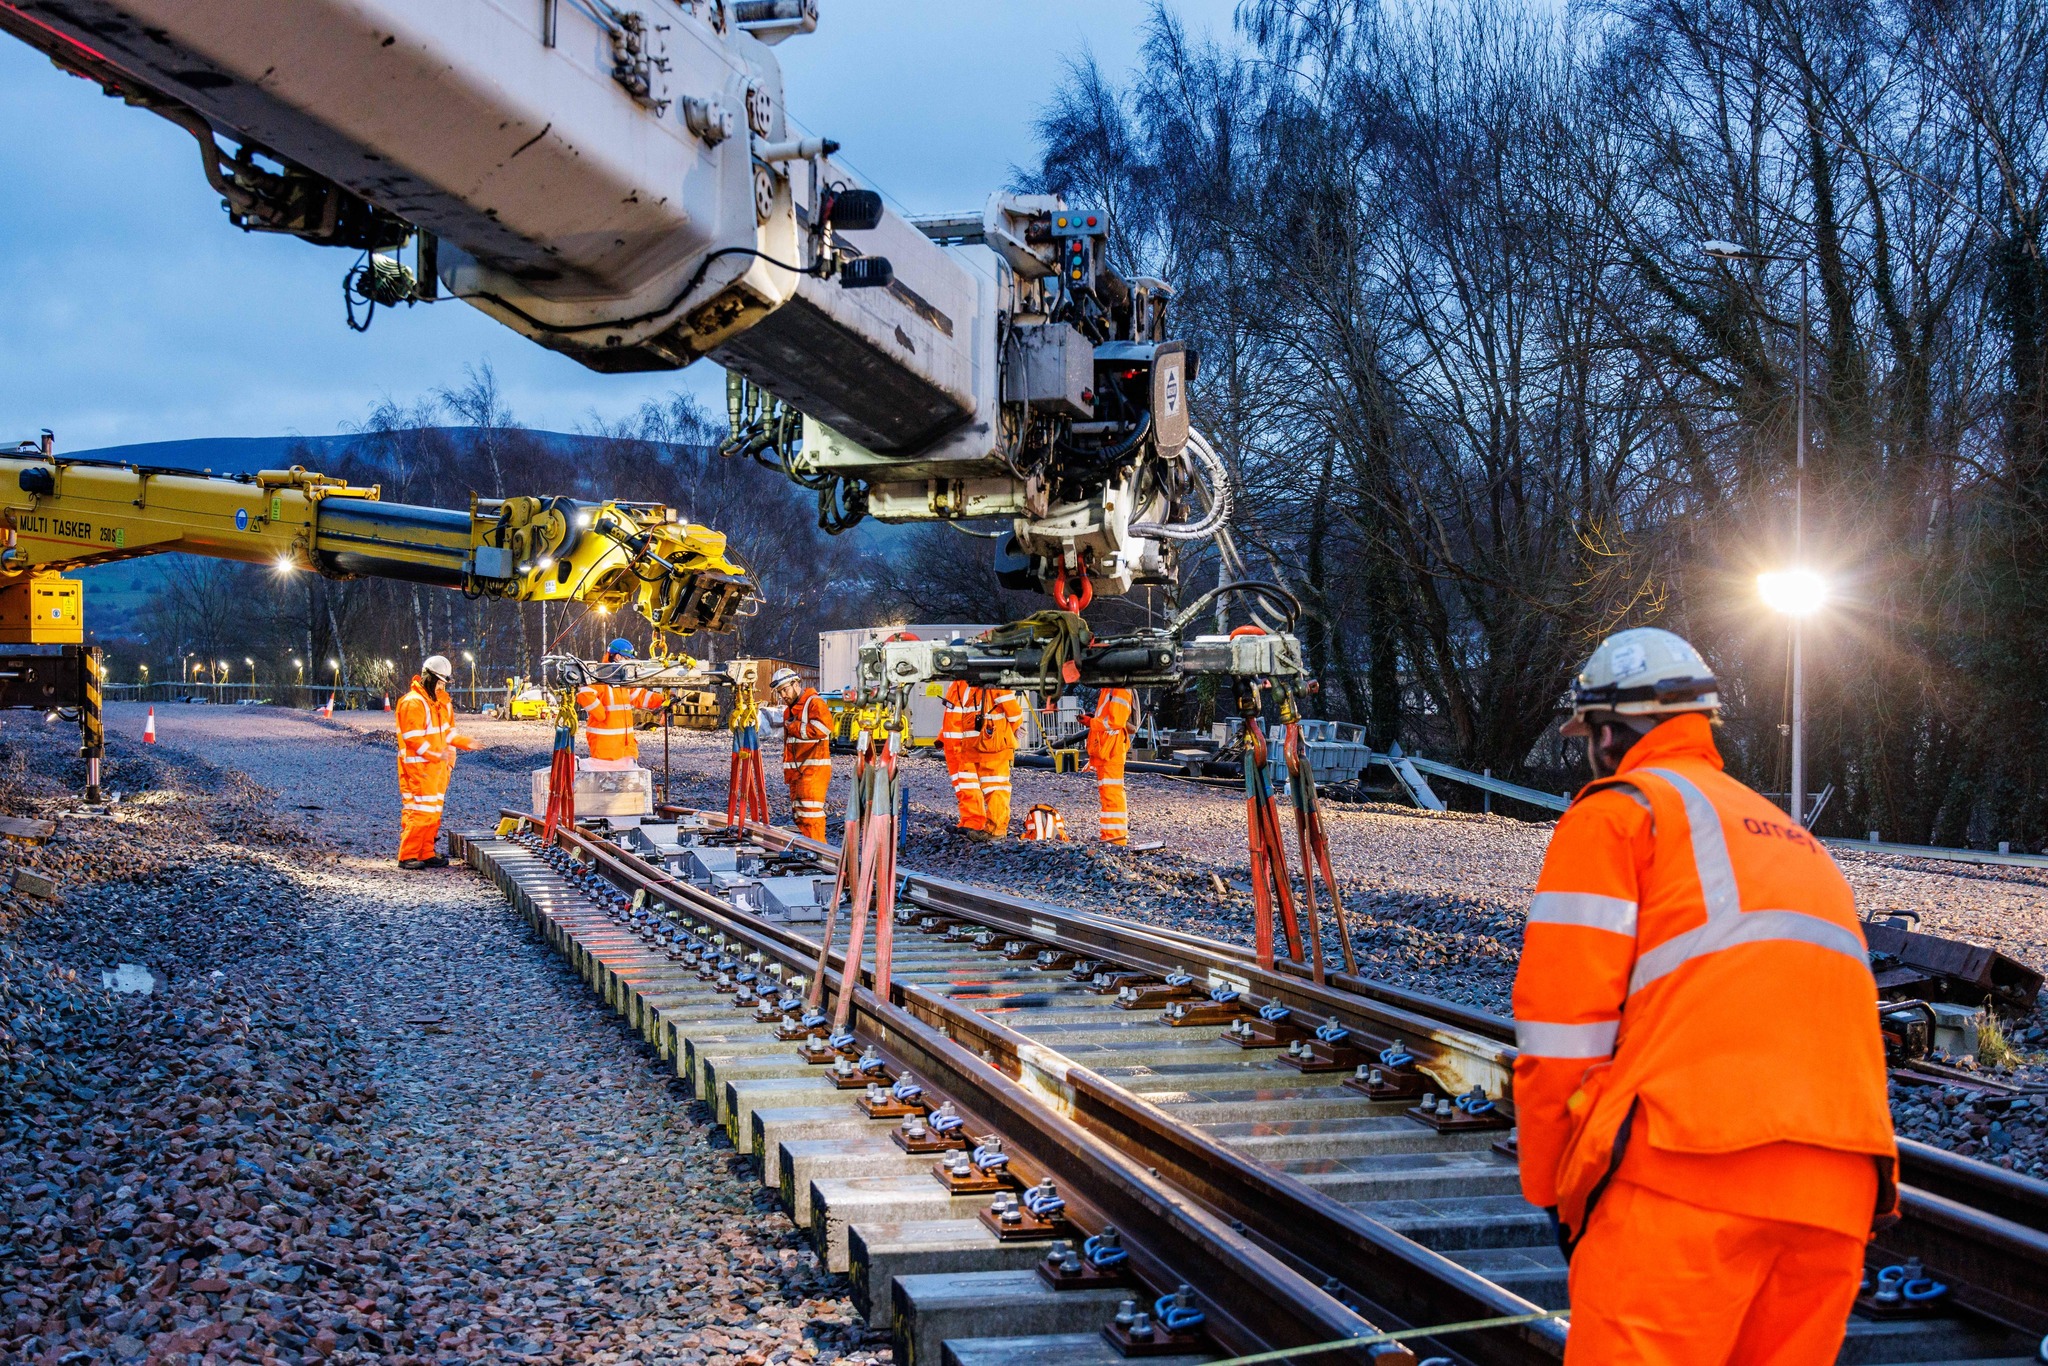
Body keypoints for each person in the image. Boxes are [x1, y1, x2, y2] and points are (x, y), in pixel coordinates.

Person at [1512, 627, 1896, 1365]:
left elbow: (1563, 1030)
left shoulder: (1620, 813)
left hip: (1686, 1175)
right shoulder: (1793, 840)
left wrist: (1557, 1189)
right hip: (1841, 1190)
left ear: (1610, 730)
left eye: (1589, 734)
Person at [394, 654, 476, 869]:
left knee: (433, 812)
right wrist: (435, 755)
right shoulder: (413, 703)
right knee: (419, 811)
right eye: (439, 682)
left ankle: (425, 851)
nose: (441, 687)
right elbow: (412, 738)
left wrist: (463, 743)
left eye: (443, 683)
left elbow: (447, 733)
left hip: (437, 769)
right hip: (419, 767)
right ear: (429, 678)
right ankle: (408, 855)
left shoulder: (441, 703)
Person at [574, 637, 662, 767]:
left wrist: (663, 699)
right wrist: (600, 713)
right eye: (627, 658)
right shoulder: (599, 677)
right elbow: (584, 695)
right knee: (606, 782)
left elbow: (641, 696)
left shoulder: (623, 681)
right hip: (605, 746)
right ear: (617, 657)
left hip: (625, 746)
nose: (629, 662)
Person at [772, 665, 833, 841]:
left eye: (785, 690)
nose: (783, 695)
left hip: (813, 771)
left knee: (810, 816)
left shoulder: (814, 702)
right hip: (798, 772)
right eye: (779, 692)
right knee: (800, 816)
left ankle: (818, 853)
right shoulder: (789, 710)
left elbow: (824, 728)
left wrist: (794, 726)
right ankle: (809, 852)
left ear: (796, 683)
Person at [1085, 686, 1136, 845]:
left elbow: (1115, 721)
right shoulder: (1109, 689)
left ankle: (1115, 838)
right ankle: (1110, 836)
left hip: (1111, 750)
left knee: (1112, 795)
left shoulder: (1119, 689)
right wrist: (1093, 720)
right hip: (1107, 749)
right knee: (1108, 795)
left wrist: (1092, 722)